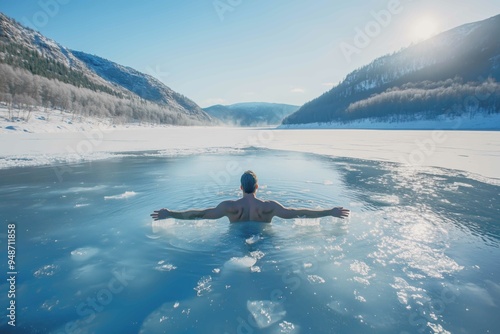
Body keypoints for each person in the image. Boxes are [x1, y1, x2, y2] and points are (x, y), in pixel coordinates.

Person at [151, 170, 350, 223]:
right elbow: (298, 213)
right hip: (264, 243)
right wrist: (329, 212)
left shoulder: (228, 207)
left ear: (240, 187)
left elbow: (200, 215)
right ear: (257, 187)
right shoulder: (269, 207)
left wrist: (171, 214)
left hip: (235, 242)